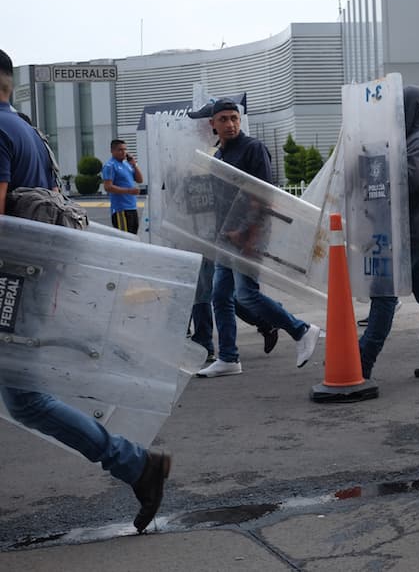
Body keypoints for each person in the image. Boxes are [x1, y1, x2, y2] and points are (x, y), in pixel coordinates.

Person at [0, 48, 169, 533]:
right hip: (31, 276)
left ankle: (136, 465)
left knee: (27, 400)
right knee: (25, 398)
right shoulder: (28, 130)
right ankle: (136, 465)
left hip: (11, 280)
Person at [196, 100, 321, 377]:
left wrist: (245, 232)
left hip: (249, 235)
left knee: (247, 295)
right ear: (212, 124)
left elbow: (264, 196)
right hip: (225, 237)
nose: (230, 124)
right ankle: (229, 357)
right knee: (220, 296)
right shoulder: (219, 157)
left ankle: (301, 330)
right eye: (223, 119)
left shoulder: (253, 149)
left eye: (233, 118)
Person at [358, 86, 419, 380]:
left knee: (384, 296)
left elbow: (414, 179)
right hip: (415, 233)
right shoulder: (417, 138)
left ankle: (361, 362)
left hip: (407, 236)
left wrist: (378, 166)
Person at [101, 138, 143, 233]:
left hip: (132, 207)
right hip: (121, 209)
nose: (123, 152)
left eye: (125, 149)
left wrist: (134, 165)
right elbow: (108, 187)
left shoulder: (126, 164)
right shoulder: (110, 166)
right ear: (112, 151)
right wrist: (129, 191)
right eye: (120, 150)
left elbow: (140, 180)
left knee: (133, 236)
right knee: (125, 238)